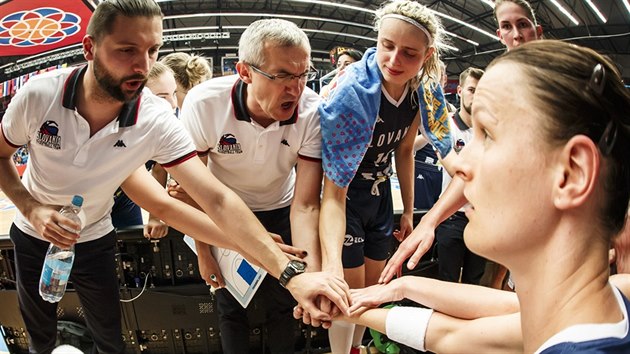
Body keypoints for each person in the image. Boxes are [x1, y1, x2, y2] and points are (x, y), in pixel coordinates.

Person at [0, 1, 348, 352]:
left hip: (94, 232)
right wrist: (30, 208)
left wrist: (279, 265)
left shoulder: (154, 119)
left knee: (110, 336)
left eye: (153, 50)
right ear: (89, 47)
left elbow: (208, 198)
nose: (142, 65)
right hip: (32, 232)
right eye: (127, 50)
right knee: (37, 335)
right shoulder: (39, 95)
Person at [353, 40, 630, 353]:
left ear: (572, 173)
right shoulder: (613, 298)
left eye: (488, 135)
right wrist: (397, 288)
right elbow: (455, 332)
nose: (461, 164)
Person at [170, 19, 323, 354]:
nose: (295, 89)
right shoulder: (204, 103)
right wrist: (204, 250)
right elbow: (197, 191)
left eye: (303, 75)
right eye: (282, 75)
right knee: (231, 306)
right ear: (245, 71)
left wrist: (310, 271)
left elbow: (308, 204)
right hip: (223, 216)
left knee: (285, 304)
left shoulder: (312, 111)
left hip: (282, 212)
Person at [313, 1, 452, 352]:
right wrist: (330, 262)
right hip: (346, 195)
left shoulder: (422, 90)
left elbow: (405, 151)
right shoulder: (353, 93)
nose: (393, 60)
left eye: (408, 53)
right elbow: (333, 193)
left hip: (380, 195)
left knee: (373, 291)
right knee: (347, 291)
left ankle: (357, 348)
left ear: (426, 55)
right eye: (387, 46)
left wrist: (407, 209)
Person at [380, 0, 543, 285]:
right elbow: (471, 161)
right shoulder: (500, 86)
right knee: (500, 292)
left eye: (522, 25)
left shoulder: (561, 78)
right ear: (499, 34)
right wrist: (430, 220)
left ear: (537, 30)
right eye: (507, 26)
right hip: (508, 219)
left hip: (555, 220)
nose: (516, 35)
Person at [110, 61, 177, 239]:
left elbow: (159, 168)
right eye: (162, 97)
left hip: (124, 198)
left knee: (130, 246)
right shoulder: (115, 128)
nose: (172, 104)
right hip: (91, 200)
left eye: (174, 94)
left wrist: (156, 216)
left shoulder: (165, 126)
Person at [434, 67, 485, 284]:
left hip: (481, 218)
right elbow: (455, 170)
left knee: (475, 281)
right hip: (451, 217)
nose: (476, 96)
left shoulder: (489, 130)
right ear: (460, 90)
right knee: (447, 282)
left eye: (481, 91)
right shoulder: (447, 126)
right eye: (472, 89)